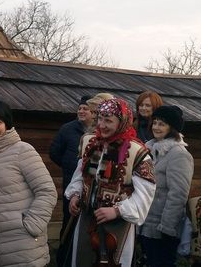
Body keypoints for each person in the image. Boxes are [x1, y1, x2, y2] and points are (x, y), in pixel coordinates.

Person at [65, 98, 156, 267]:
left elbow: (145, 194)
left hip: (116, 227)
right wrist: (76, 194)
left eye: (108, 120)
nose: (102, 125)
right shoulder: (93, 144)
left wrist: (117, 211)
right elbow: (83, 175)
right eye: (100, 118)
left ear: (122, 122)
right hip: (86, 220)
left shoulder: (137, 152)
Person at [0, 99, 57, 267]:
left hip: (23, 246)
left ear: (7, 124)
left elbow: (47, 191)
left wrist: (31, 225)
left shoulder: (23, 150)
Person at [140, 105, 194, 267]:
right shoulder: (148, 150)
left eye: (162, 124)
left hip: (161, 229)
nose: (156, 127)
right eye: (154, 122)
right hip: (145, 224)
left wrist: (167, 228)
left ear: (172, 128)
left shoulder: (179, 155)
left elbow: (178, 194)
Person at [50, 95, 94, 234]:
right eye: (79, 108)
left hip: (91, 184)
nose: (81, 111)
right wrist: (69, 165)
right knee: (69, 218)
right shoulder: (67, 129)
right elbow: (54, 152)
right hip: (71, 182)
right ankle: (64, 252)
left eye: (85, 109)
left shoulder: (98, 131)